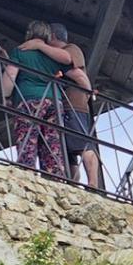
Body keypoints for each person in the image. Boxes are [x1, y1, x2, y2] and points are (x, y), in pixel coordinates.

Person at [0, 21, 70, 177]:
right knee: (52, 141)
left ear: (29, 33)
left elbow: (11, 74)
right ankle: (55, 176)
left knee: (28, 138)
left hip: (29, 100)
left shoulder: (21, 51)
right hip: (54, 101)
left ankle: (27, 172)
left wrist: (6, 96)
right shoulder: (53, 54)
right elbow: (67, 59)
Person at [45, 22, 100, 188]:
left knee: (83, 144)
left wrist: (87, 94)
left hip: (74, 104)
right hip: (66, 104)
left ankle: (93, 183)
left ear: (52, 36)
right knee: (69, 151)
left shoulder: (71, 49)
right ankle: (73, 184)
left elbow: (77, 73)